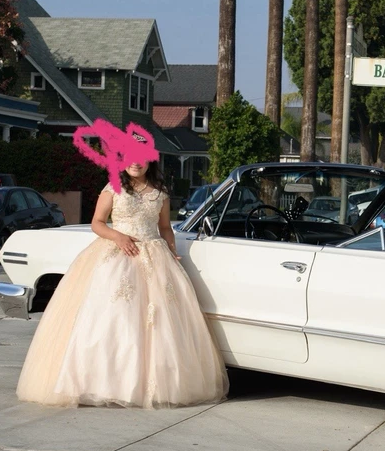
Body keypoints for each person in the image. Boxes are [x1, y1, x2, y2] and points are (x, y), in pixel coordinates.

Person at [16, 159, 228, 408]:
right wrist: (117, 236)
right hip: (116, 255)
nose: (136, 162)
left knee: (158, 322)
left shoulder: (160, 193)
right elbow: (97, 222)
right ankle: (101, 384)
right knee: (115, 318)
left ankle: (148, 385)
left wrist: (171, 250)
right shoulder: (112, 188)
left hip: (154, 255)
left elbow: (164, 227)